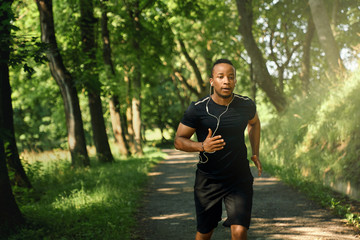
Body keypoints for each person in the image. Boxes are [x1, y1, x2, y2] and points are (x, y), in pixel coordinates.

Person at [174, 59, 262, 240]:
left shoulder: (246, 104)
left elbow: (254, 123)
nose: (226, 81)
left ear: (235, 81)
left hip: (239, 178)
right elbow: (178, 140)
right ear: (212, 81)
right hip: (209, 180)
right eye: (221, 77)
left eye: (231, 77)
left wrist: (255, 152)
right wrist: (202, 146)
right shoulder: (197, 109)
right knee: (205, 232)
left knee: (239, 232)